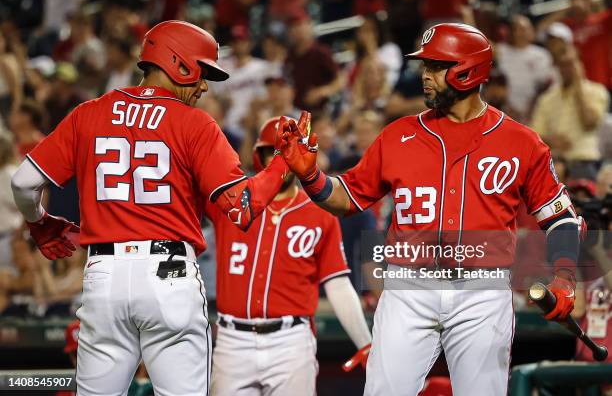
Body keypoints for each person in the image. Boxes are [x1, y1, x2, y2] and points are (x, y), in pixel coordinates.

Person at [278, 23, 584, 395]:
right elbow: (348, 198)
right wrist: (311, 177)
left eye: (435, 67)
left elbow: (561, 217)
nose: (425, 76)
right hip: (407, 289)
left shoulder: (520, 142)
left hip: (482, 293)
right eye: (425, 66)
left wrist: (565, 277)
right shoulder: (397, 135)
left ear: (468, 70)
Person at [11, 20, 297, 395]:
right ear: (178, 64)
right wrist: (283, 163)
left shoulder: (89, 113)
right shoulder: (195, 123)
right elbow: (240, 209)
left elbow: (23, 183)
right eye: (202, 72)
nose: (204, 86)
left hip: (104, 277)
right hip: (170, 277)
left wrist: (41, 223)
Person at [206, 117, 372, 395]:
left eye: (288, 150)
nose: (281, 158)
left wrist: (365, 343)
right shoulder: (232, 203)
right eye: (274, 151)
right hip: (231, 340)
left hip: (291, 341)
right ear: (258, 155)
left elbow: (337, 283)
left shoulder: (320, 212)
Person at [531, 45, 609, 179]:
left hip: (584, 161)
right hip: (554, 162)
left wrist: (578, 85)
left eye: (570, 64)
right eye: (562, 65)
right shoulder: (547, 98)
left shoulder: (597, 91)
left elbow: (589, 122)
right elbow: (534, 134)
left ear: (580, 64)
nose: (566, 69)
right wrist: (551, 140)